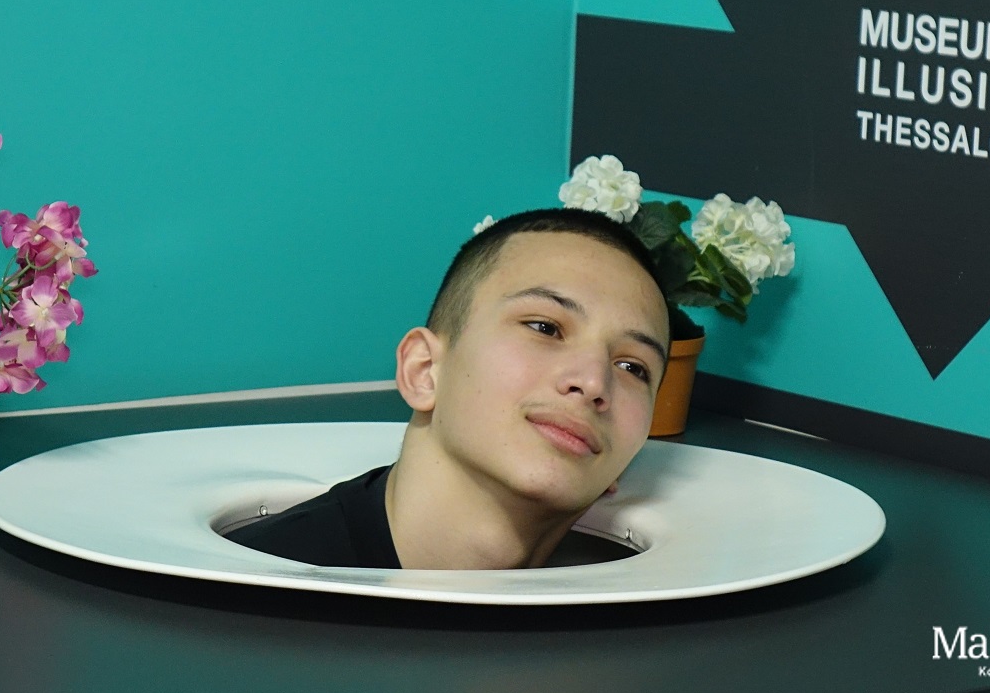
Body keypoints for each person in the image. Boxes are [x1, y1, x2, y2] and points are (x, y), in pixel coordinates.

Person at [227, 207, 671, 570]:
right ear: (424, 371)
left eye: (633, 367)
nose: (594, 382)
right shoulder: (250, 593)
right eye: (545, 327)